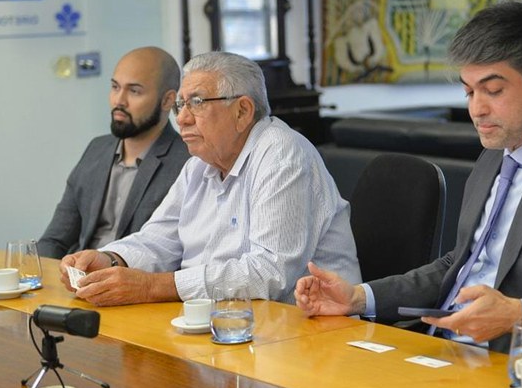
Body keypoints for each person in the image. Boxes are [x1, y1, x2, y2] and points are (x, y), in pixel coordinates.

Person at [295, 0, 522, 378]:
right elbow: (458, 265)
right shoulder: (493, 157)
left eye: (493, 90)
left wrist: (518, 316)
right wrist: (358, 297)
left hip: (520, 371)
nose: (477, 109)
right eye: (469, 92)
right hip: (441, 352)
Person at [58, 51, 361, 306]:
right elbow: (159, 239)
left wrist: (152, 286)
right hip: (226, 322)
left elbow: (269, 273)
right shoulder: (198, 166)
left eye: (198, 103)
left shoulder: (282, 154)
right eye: (181, 105)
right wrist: (110, 259)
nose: (182, 118)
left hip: (306, 331)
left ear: (242, 111)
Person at [38, 46, 190, 259]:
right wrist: (39, 274)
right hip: (76, 273)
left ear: (167, 100)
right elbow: (55, 239)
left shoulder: (187, 161)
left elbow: (175, 256)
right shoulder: (96, 149)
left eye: (134, 91)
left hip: (134, 276)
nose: (119, 101)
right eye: (115, 87)